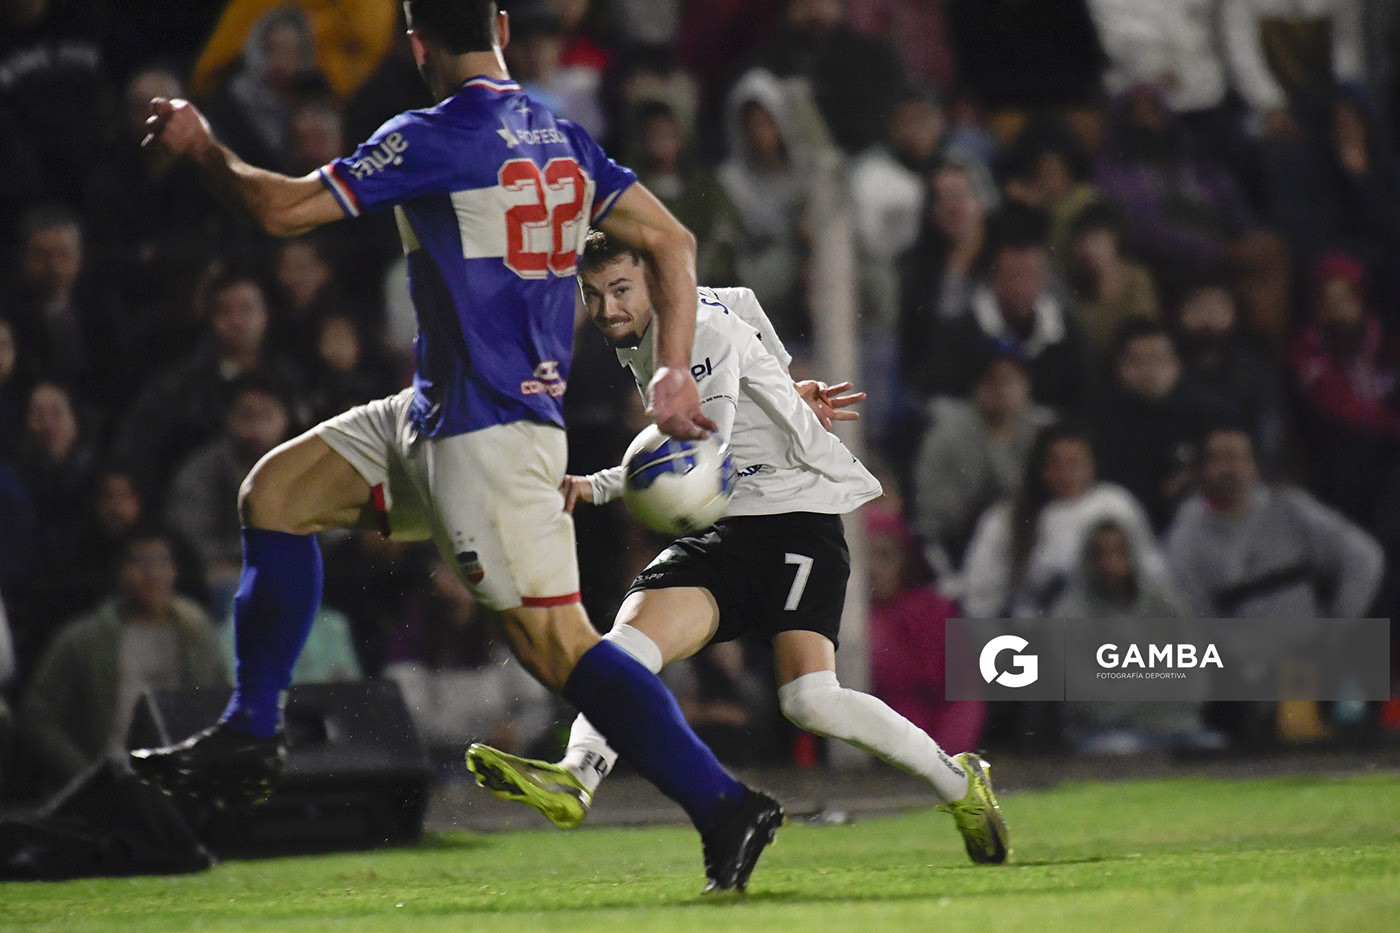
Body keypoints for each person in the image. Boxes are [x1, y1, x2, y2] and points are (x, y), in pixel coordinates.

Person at [128, 0, 779, 893]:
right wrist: (672, 371)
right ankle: (251, 728)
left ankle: (724, 803)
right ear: (503, 28)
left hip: (490, 436)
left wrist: (204, 146)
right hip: (436, 414)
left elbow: (282, 213)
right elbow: (672, 240)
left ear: (416, 45)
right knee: (275, 494)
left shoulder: (432, 135)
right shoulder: (561, 133)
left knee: (557, 647)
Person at [465, 231, 1010, 865]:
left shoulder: (697, 337)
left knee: (809, 700)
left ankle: (960, 782)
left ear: (654, 282)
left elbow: (699, 454)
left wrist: (598, 485)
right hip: (726, 527)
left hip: (794, 520)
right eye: (593, 295)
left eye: (620, 289)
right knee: (627, 643)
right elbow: (744, 301)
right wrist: (781, 386)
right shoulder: (661, 325)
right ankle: (577, 776)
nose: (608, 308)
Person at [19, 527, 229, 794]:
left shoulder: (198, 636)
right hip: (112, 779)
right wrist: (83, 772)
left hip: (183, 778)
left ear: (174, 571)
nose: (151, 573)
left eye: (161, 561)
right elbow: (37, 715)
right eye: (140, 561)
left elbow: (218, 702)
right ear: (121, 570)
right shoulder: (84, 639)